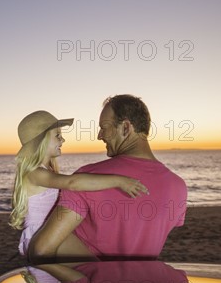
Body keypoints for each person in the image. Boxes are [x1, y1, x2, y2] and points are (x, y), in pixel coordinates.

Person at [28, 95, 188, 261]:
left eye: (104, 127)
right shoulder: (179, 187)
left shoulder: (89, 178)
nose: (99, 135)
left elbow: (41, 250)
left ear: (126, 127)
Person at [9, 110, 148, 257]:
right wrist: (119, 181)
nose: (63, 140)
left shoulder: (46, 170)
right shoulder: (35, 173)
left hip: (49, 230)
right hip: (41, 234)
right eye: (57, 136)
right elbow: (72, 183)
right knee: (94, 267)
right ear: (41, 141)